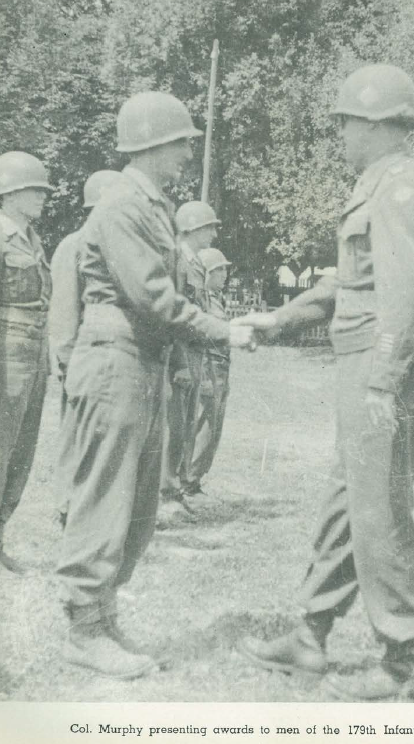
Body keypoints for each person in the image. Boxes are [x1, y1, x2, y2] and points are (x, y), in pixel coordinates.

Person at [234, 64, 414, 701]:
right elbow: (350, 284)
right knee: (347, 503)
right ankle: (309, 634)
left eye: (347, 121)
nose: (342, 133)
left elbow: (409, 294)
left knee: (380, 508)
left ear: (379, 124)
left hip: (388, 373)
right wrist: (278, 318)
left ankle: (401, 659)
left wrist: (383, 382)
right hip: (365, 367)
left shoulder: (401, 187)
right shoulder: (375, 184)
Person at [55, 91, 254, 680]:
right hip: (115, 359)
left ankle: (104, 616)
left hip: (143, 362)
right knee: (105, 498)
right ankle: (83, 629)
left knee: (139, 506)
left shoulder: (152, 204)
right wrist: (222, 329)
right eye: (182, 141)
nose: (190, 151)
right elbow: (153, 297)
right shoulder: (122, 206)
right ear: (151, 146)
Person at [50, 170, 125, 527]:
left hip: (111, 360)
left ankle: (94, 508)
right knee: (75, 435)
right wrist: (68, 361)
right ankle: (67, 505)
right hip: (82, 358)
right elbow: (65, 310)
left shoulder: (116, 247)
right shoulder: (74, 245)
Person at [0, 151, 54, 574]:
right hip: (8, 348)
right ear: (13, 192)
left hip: (34, 348)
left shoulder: (31, 237)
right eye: (37, 190)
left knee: (22, 446)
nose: (43, 198)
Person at [158, 200, 222, 527]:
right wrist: (181, 362)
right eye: (209, 227)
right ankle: (166, 495)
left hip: (196, 354)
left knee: (183, 428)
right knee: (175, 427)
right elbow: (176, 317)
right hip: (180, 356)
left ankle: (177, 489)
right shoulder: (178, 261)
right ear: (193, 228)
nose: (213, 233)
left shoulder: (194, 263)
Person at [185, 247, 232, 492]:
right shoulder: (201, 302)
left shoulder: (216, 299)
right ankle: (188, 481)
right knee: (203, 423)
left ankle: (196, 479)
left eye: (224, 269)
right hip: (209, 364)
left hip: (221, 366)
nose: (224, 274)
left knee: (214, 425)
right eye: (219, 270)